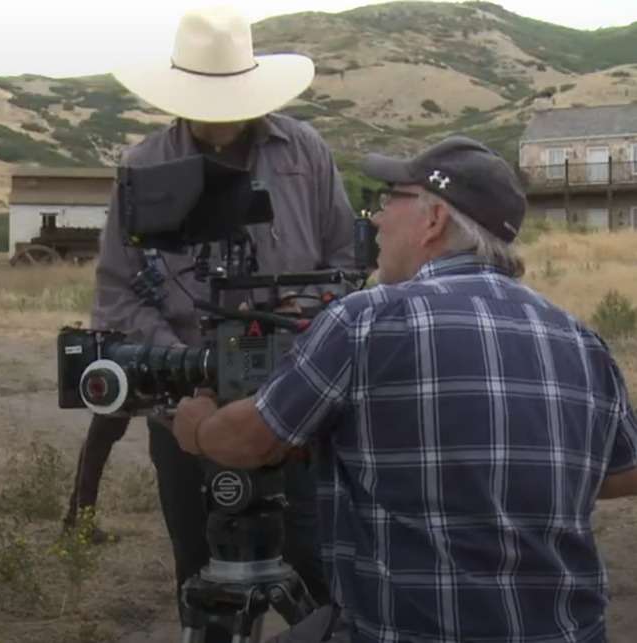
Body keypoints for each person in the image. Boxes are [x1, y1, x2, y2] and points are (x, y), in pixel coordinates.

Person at [173, 135, 637, 642]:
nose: (374, 218)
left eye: (389, 199)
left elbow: (250, 443)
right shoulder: (578, 336)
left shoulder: (366, 318)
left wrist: (196, 428)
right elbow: (622, 473)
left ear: (433, 220)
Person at [65, 5, 359, 640]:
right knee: (200, 567)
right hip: (185, 411)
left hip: (295, 406)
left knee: (315, 565)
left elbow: (344, 267)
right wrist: (191, 373)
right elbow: (118, 296)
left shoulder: (305, 153)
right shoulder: (142, 167)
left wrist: (297, 322)